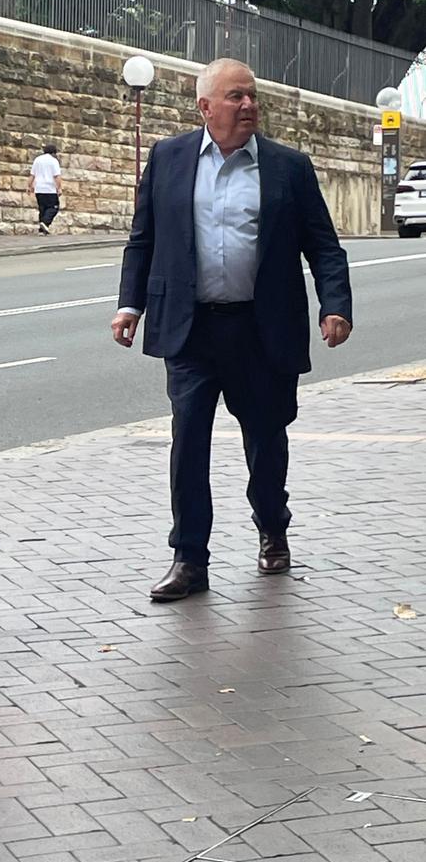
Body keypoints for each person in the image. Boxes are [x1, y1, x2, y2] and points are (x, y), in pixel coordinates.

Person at [112, 58, 352, 602]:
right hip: (192, 331)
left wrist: (334, 306)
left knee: (266, 440)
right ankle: (189, 559)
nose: (248, 106)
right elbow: (143, 240)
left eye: (252, 97)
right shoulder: (169, 158)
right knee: (188, 442)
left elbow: (323, 247)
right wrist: (130, 304)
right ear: (205, 107)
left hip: (261, 331)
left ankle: (272, 526)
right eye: (236, 97)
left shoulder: (288, 167)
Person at [28, 143, 62, 234]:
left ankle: (42, 230)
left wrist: (29, 186)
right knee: (53, 207)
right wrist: (59, 188)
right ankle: (45, 223)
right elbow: (56, 176)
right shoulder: (53, 161)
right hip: (49, 189)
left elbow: (32, 175)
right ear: (53, 153)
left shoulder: (37, 160)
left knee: (42, 209)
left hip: (39, 189)